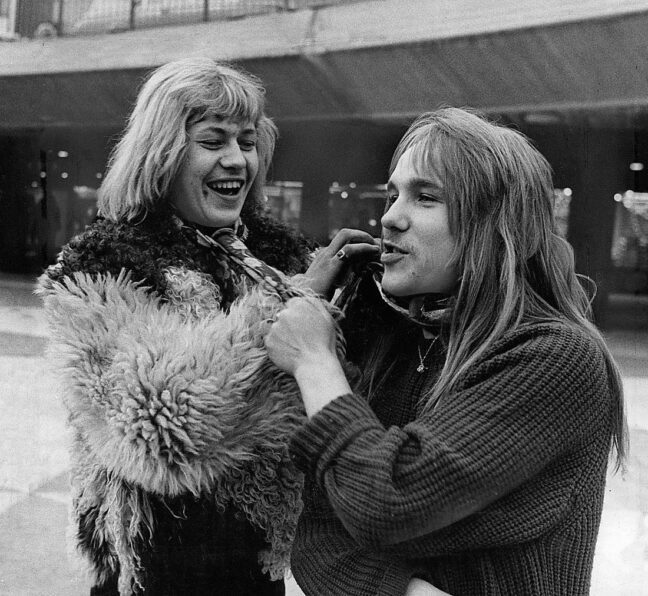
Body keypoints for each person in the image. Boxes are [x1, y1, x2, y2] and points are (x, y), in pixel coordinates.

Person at [265, 107, 628, 595]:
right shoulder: (398, 339)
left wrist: (315, 361)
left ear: (496, 226)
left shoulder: (556, 357)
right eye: (393, 194)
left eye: (425, 197)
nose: (390, 217)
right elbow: (316, 535)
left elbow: (381, 502)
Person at [36, 57, 361, 596]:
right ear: (161, 151)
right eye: (212, 141)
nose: (237, 160)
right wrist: (297, 301)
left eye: (248, 142)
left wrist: (375, 294)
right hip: (152, 573)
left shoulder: (277, 251)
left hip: (259, 571)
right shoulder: (101, 258)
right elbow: (157, 429)